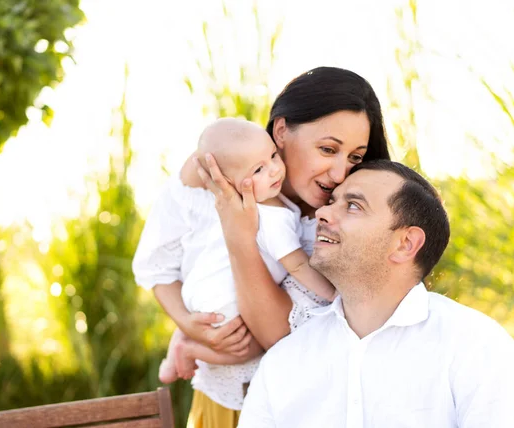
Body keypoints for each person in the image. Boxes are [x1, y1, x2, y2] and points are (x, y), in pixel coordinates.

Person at [137, 66, 391, 427]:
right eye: (328, 149)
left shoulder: (340, 221)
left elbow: (278, 337)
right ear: (282, 130)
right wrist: (189, 327)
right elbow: (156, 266)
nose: (339, 173)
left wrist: (240, 238)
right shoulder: (216, 172)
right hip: (220, 403)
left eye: (353, 157)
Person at [234, 160, 514, 427]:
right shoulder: (284, 360)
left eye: (353, 206)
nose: (322, 213)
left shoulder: (476, 346)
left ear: (406, 243)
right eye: (332, 201)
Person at [133, 118, 337, 402]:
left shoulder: (240, 206)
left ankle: (181, 336)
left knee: (211, 317)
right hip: (221, 301)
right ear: (227, 182)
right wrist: (334, 294)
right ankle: (188, 350)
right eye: (259, 169)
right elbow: (299, 265)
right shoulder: (273, 218)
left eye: (273, 157)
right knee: (250, 346)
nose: (275, 170)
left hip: (201, 287)